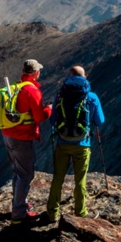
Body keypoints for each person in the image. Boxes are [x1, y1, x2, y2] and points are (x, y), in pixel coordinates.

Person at [47, 65, 105, 221]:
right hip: (82, 145)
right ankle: (81, 212)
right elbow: (100, 121)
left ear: (69, 77)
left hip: (62, 144)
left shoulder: (60, 96)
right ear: (84, 77)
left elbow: (52, 121)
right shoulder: (91, 97)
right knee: (80, 179)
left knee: (58, 178)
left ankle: (52, 212)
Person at [2, 59, 52, 224]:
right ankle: (19, 213)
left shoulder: (17, 87)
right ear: (36, 73)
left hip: (8, 134)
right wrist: (49, 109)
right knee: (26, 174)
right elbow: (39, 116)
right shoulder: (32, 91)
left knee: (18, 171)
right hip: (21, 137)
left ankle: (19, 203)